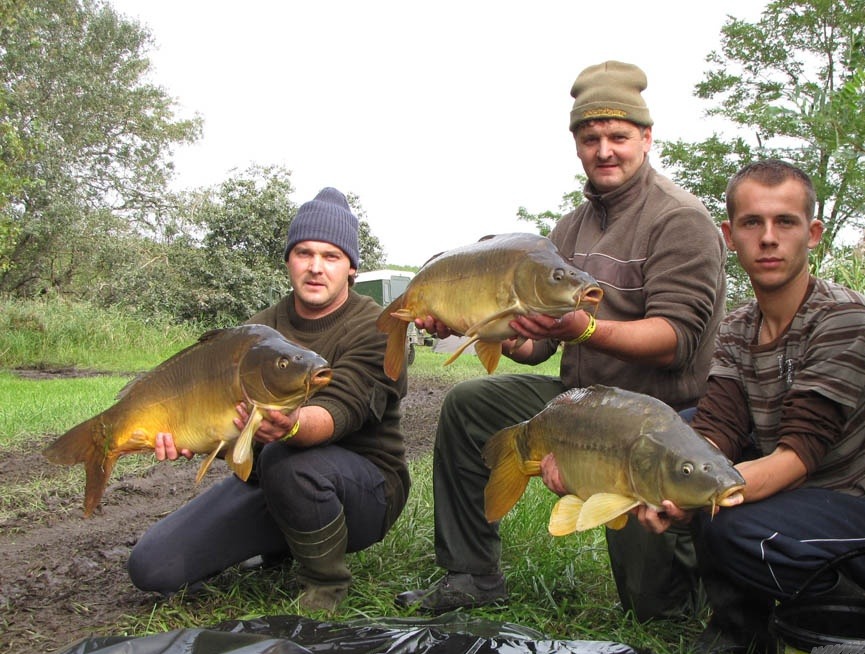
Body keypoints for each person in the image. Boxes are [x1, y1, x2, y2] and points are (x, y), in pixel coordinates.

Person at [396, 60, 729, 621]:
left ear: (647, 138)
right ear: (576, 143)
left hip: (658, 418)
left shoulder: (681, 219)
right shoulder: (568, 230)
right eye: (590, 137)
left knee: (655, 608)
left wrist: (588, 329)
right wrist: (494, 329)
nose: (605, 151)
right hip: (577, 401)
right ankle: (471, 574)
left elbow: (678, 339)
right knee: (468, 405)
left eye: (619, 137)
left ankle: (702, 576)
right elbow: (542, 346)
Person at [624, 159, 865, 654]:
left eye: (786, 222)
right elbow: (717, 428)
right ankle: (742, 629)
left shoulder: (846, 319)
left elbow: (800, 455)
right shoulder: (737, 328)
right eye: (753, 223)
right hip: (806, 510)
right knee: (680, 437)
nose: (769, 238)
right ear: (730, 236)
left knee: (725, 510)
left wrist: (697, 494)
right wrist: (665, 479)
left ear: (812, 233)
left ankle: (849, 616)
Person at [128, 187, 410, 613]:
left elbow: (343, 409)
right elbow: (227, 427)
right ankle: (284, 545)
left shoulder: (376, 326)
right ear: (288, 261)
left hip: (367, 491)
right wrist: (198, 435)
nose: (316, 267)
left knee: (287, 459)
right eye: (304, 253)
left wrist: (293, 427)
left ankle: (325, 585)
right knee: (152, 567)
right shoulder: (255, 332)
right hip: (271, 481)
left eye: (331, 256)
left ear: (351, 268)